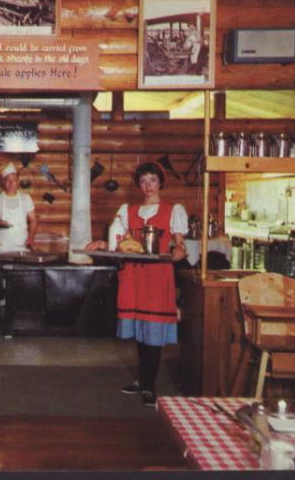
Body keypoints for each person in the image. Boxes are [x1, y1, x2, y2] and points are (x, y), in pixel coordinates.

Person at [85, 161, 187, 407]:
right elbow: (117, 241)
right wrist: (101, 244)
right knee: (141, 333)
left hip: (157, 277)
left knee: (152, 332)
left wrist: (180, 248)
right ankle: (143, 381)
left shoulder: (173, 210)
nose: (147, 185)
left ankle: (150, 387)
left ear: (160, 182)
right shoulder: (127, 210)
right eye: (143, 181)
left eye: (152, 180)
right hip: (133, 276)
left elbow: (179, 242)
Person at [0, 162, 37, 256]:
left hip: (22, 246)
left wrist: (31, 239)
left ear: (18, 182)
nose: (11, 184)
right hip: (2, 247)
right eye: (8, 180)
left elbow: (33, 220)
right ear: (3, 182)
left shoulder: (26, 198)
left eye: (14, 180)